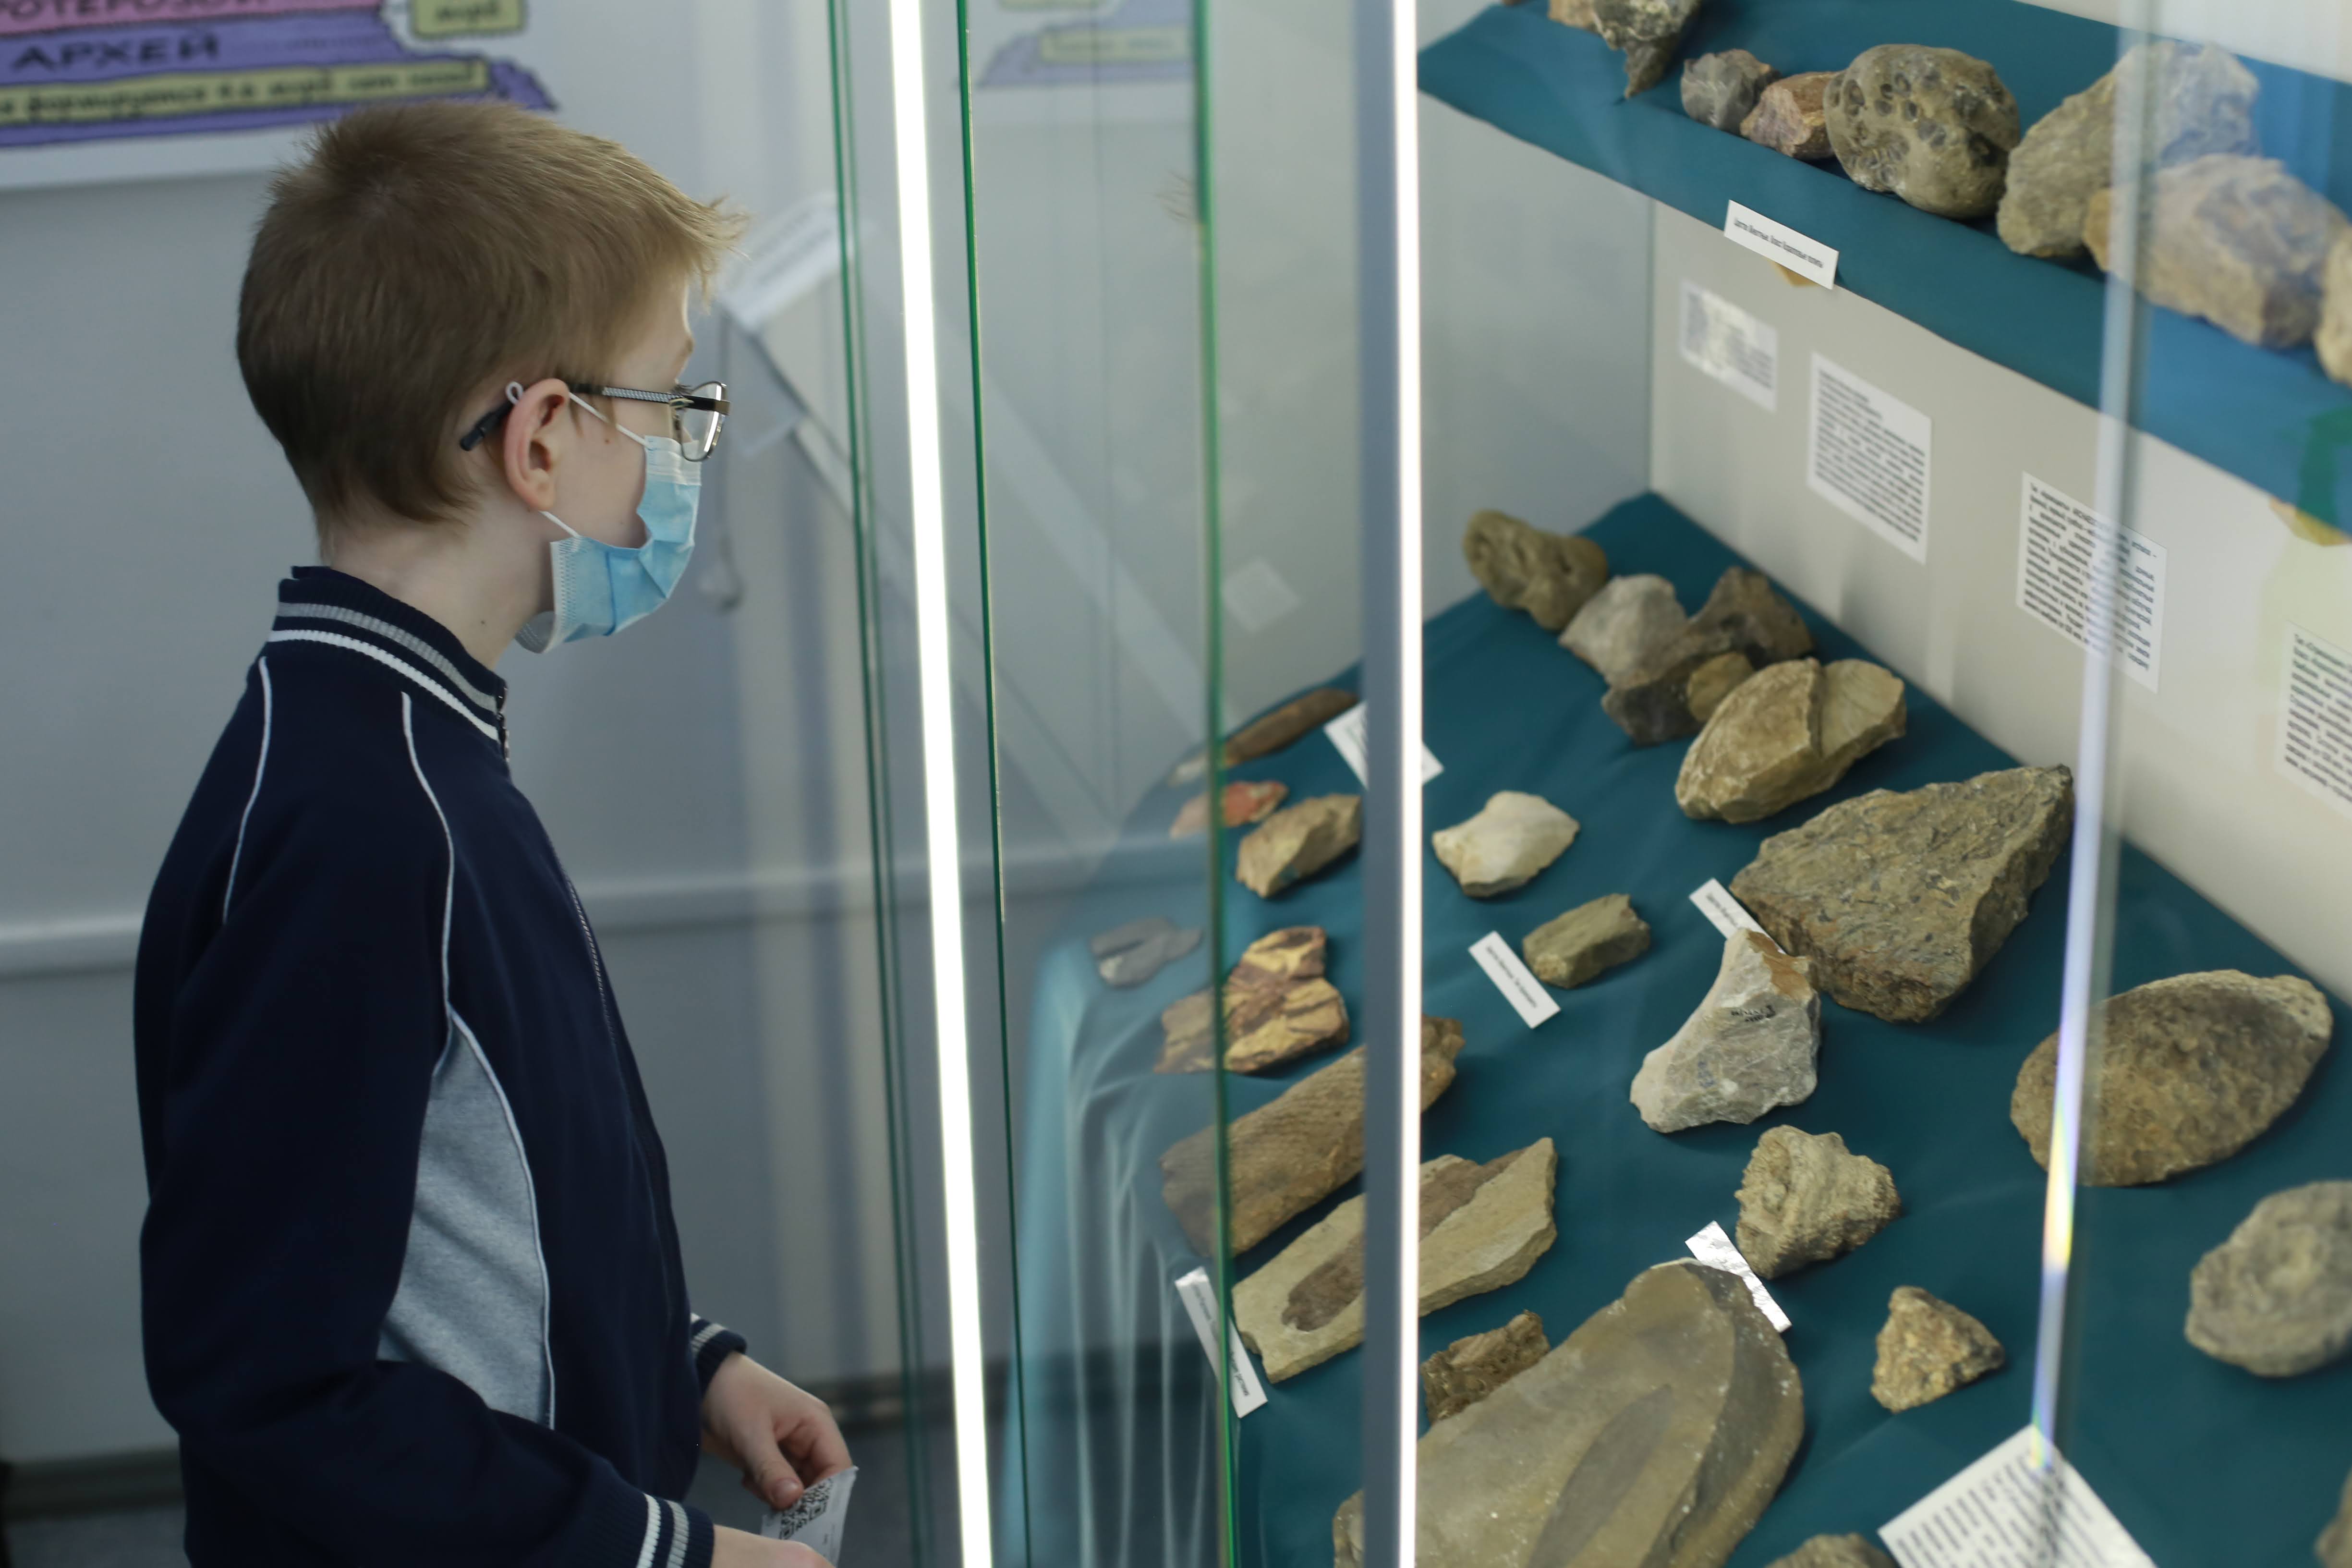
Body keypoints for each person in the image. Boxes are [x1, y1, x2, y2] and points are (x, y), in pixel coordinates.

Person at [133, 100, 844, 1568]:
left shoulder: (406, 744)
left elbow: (480, 1186)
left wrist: (687, 1360)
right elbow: (274, 1386)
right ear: (541, 440)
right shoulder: (357, 827)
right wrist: (671, 1553)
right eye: (671, 405)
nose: (685, 453)